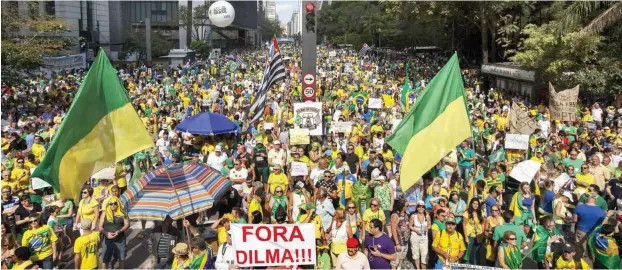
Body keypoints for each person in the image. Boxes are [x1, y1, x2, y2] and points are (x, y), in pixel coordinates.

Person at [98, 196, 129, 269]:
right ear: (108, 205)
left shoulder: (122, 213)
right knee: (105, 259)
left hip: (120, 239)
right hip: (107, 240)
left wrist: (119, 231)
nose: (113, 205)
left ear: (117, 203)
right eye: (111, 204)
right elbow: (100, 227)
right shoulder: (104, 213)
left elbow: (127, 224)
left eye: (115, 203)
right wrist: (106, 233)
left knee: (121, 258)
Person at [390, 199, 410, 269]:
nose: (408, 207)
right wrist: (397, 243)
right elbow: (393, 230)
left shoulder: (406, 214)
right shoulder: (395, 215)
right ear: (402, 206)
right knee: (395, 262)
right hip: (398, 242)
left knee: (402, 258)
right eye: (407, 206)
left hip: (405, 242)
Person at [462, 198, 484, 265]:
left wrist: (482, 234)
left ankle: (474, 266)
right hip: (470, 235)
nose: (475, 205)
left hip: (478, 235)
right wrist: (466, 237)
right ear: (471, 204)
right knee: (468, 253)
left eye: (477, 204)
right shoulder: (467, 212)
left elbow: (482, 224)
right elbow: (464, 225)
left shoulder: (481, 212)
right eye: (474, 203)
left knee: (475, 253)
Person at [410, 200, 430, 269]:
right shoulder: (413, 216)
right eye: (419, 206)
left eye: (423, 207)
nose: (421, 208)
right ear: (417, 207)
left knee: (424, 254)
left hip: (424, 236)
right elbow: (410, 226)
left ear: (424, 207)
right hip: (415, 236)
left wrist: (426, 228)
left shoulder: (427, 216)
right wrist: (416, 230)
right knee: (415, 253)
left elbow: (429, 226)